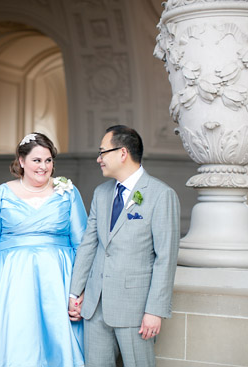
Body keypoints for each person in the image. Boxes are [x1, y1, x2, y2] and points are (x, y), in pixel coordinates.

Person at [0, 132, 87, 367]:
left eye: (48, 160)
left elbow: (83, 245)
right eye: (37, 160)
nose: (43, 166)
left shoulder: (68, 192)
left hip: (58, 285)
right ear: (21, 161)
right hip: (12, 288)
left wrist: (79, 293)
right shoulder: (1, 194)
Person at [68, 125, 180, 367]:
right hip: (94, 306)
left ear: (122, 153)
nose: (99, 159)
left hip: (135, 309)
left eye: (103, 152)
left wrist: (155, 310)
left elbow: (166, 258)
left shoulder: (161, 195)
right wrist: (74, 293)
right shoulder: (100, 193)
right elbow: (89, 245)